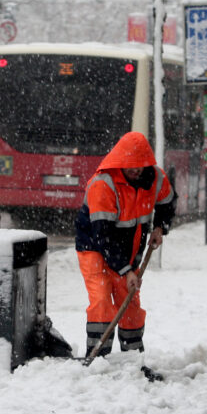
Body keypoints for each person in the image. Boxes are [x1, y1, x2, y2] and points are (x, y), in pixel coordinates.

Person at [75, 131, 176, 358]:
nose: (135, 170)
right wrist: (126, 271)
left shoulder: (155, 178)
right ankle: (98, 358)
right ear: (119, 162)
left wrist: (160, 227)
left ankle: (132, 358)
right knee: (101, 298)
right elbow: (103, 237)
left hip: (129, 249)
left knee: (129, 301)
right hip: (94, 246)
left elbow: (168, 202)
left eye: (139, 165)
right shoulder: (104, 184)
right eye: (130, 165)